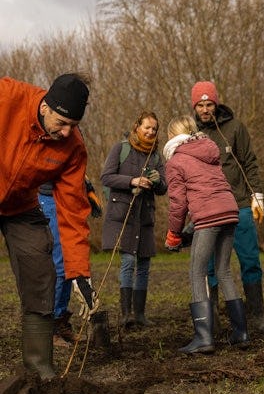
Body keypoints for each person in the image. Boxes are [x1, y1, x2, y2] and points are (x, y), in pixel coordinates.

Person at [0, 73, 98, 379]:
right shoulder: (7, 98)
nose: (67, 132)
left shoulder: (72, 147)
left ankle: (39, 368)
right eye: (62, 122)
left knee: (41, 274)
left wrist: (79, 273)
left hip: (21, 207)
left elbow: (72, 213)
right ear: (45, 107)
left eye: (74, 125)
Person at [191, 81, 264, 333]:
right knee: (209, 266)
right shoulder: (191, 133)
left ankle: (257, 315)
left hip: (239, 205)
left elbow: (249, 161)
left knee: (250, 260)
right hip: (206, 209)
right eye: (200, 105)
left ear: (216, 104)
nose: (205, 110)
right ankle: (213, 316)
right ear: (194, 107)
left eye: (209, 104)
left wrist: (256, 193)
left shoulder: (235, 128)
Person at [163, 115, 249, 353]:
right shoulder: (209, 152)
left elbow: (178, 203)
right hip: (230, 211)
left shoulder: (176, 161)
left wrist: (174, 233)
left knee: (197, 272)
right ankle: (241, 333)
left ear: (173, 137)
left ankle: (203, 338)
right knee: (224, 271)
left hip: (209, 218)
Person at [100, 110, 167, 328]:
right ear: (137, 127)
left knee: (144, 265)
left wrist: (156, 182)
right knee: (128, 262)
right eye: (147, 127)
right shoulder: (121, 148)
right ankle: (125, 314)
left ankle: (139, 314)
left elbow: (164, 188)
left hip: (144, 217)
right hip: (123, 216)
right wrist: (132, 181)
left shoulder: (156, 156)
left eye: (154, 129)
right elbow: (106, 177)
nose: (150, 132)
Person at [39, 176, 103, 347]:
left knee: (70, 265)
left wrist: (87, 188)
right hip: (50, 198)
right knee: (60, 265)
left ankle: (60, 322)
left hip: (67, 198)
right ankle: (50, 329)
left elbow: (73, 165)